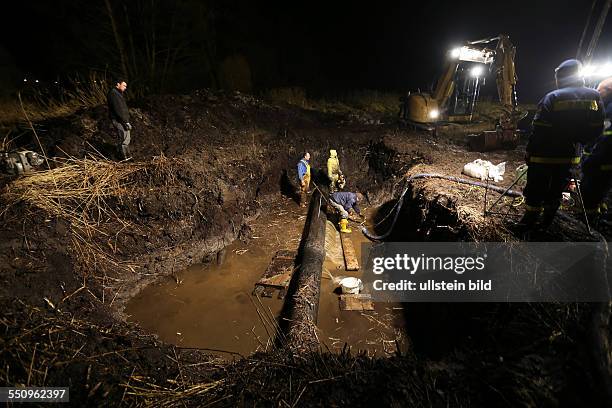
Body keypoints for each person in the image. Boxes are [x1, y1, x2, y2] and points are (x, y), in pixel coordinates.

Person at [518, 59, 604, 230]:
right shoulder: (594, 96)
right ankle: (547, 223)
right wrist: (579, 142)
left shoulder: (553, 97)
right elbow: (597, 128)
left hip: (543, 155)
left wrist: (529, 151)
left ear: (561, 76)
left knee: (535, 190)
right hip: (569, 157)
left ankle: (528, 224)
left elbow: (539, 129)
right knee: (556, 191)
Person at [580, 77, 612, 227]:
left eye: (600, 90)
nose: (597, 92)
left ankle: (589, 223)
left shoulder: (609, 110)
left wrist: (591, 161)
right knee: (600, 194)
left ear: (609, 91)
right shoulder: (604, 107)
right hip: (599, 162)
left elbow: (605, 140)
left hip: (600, 163)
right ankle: (597, 214)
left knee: (591, 193)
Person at [107, 78, 132, 160]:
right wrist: (125, 122)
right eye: (124, 85)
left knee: (125, 137)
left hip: (121, 120)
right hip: (119, 120)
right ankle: (123, 157)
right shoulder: (114, 94)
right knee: (124, 138)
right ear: (118, 84)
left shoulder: (117, 94)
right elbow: (119, 109)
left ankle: (126, 156)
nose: (125, 87)